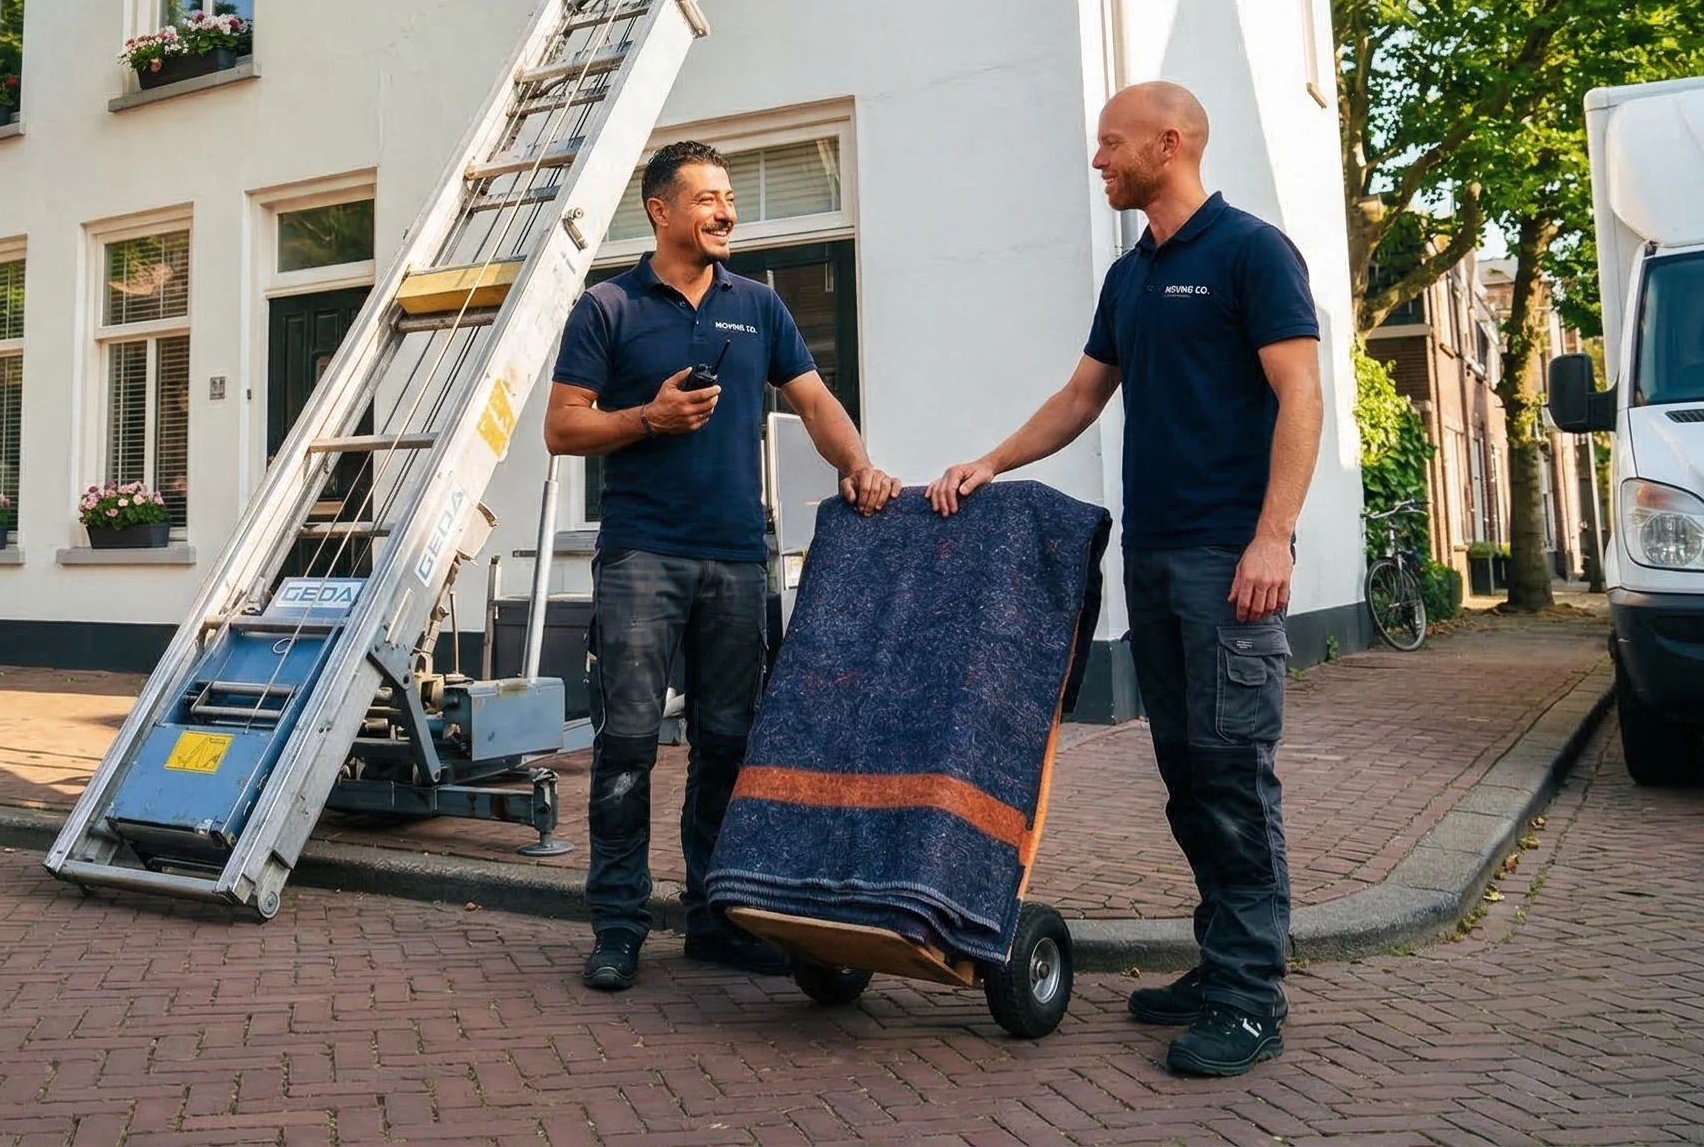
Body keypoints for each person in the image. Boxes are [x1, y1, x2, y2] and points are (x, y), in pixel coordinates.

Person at [928, 82, 1323, 1077]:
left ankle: (1247, 996)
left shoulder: (1250, 252)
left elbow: (1300, 394)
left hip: (1227, 561)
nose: (1096, 160)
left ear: (1167, 141)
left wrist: (1271, 536)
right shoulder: (1130, 276)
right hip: (1150, 559)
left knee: (1232, 776)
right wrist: (990, 461)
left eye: (1109, 144)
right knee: (1187, 778)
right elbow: (1079, 394)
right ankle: (1221, 957)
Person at [547, 139, 899, 991]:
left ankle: (716, 916)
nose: (726, 211)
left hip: (741, 559)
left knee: (729, 747)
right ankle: (619, 927)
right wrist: (650, 419)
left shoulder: (759, 305)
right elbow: (563, 429)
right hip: (641, 560)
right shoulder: (608, 308)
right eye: (707, 198)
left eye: (730, 197)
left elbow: (814, 400)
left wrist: (858, 466)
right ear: (660, 211)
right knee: (628, 747)